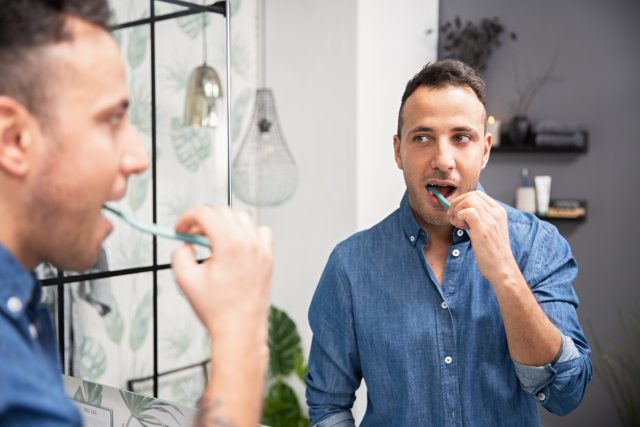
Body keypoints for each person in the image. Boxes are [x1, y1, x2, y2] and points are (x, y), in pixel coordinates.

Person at [0, 1, 272, 426]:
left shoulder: (22, 309)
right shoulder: (12, 384)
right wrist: (241, 336)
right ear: (15, 140)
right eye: (111, 119)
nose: (138, 157)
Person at [305, 59, 592, 426]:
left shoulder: (536, 244)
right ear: (398, 152)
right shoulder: (350, 265)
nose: (443, 160)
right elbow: (328, 406)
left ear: (484, 150)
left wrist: (505, 274)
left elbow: (567, 393)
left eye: (461, 137)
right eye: (423, 138)